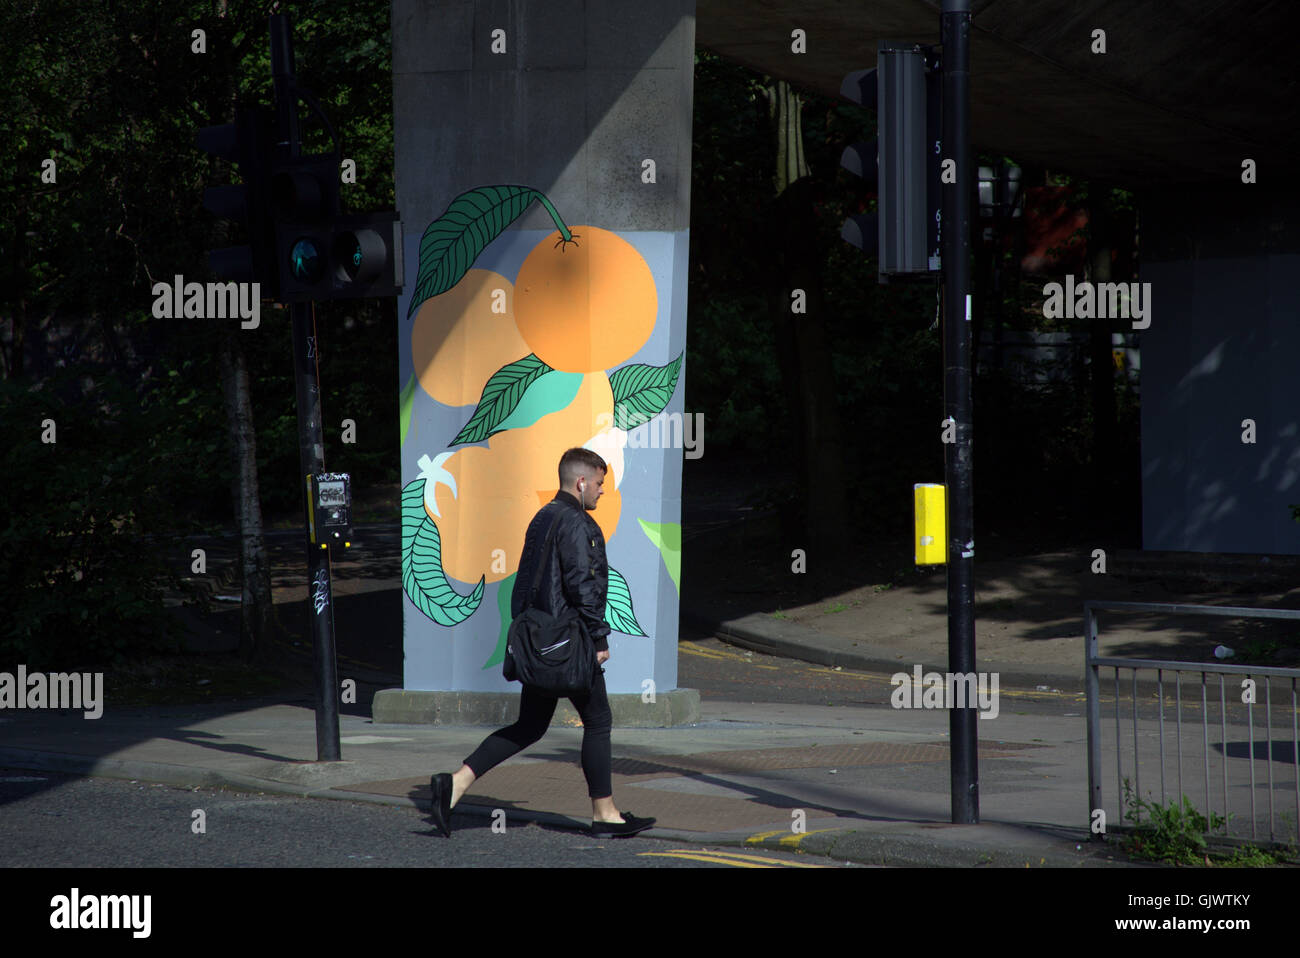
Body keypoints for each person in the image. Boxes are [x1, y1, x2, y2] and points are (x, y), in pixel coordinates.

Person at [428, 447, 656, 839]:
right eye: (600, 484)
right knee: (598, 721)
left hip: (539, 642)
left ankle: (456, 783)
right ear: (581, 482)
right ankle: (605, 815)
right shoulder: (580, 525)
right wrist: (598, 637)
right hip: (569, 643)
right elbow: (583, 585)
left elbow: (526, 585)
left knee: (530, 725)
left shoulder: (543, 517)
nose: (603, 492)